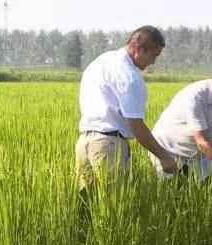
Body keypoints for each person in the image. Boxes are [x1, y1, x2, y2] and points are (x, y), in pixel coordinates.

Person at [75, 25, 176, 190]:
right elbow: (136, 126)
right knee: (113, 207)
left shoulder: (102, 61)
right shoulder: (130, 76)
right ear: (139, 48)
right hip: (108, 145)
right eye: (154, 55)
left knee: (87, 205)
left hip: (84, 142)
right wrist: (164, 157)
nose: (153, 62)